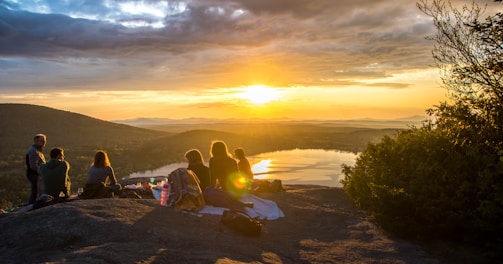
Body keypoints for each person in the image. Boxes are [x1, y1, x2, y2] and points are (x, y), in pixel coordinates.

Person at [25, 133, 47, 204]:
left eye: (44, 141)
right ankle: (33, 205)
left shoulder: (37, 150)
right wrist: (41, 172)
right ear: (36, 141)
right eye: (42, 141)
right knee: (36, 191)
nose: (44, 143)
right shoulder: (33, 151)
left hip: (36, 174)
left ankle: (33, 204)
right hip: (34, 174)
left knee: (36, 191)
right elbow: (33, 166)